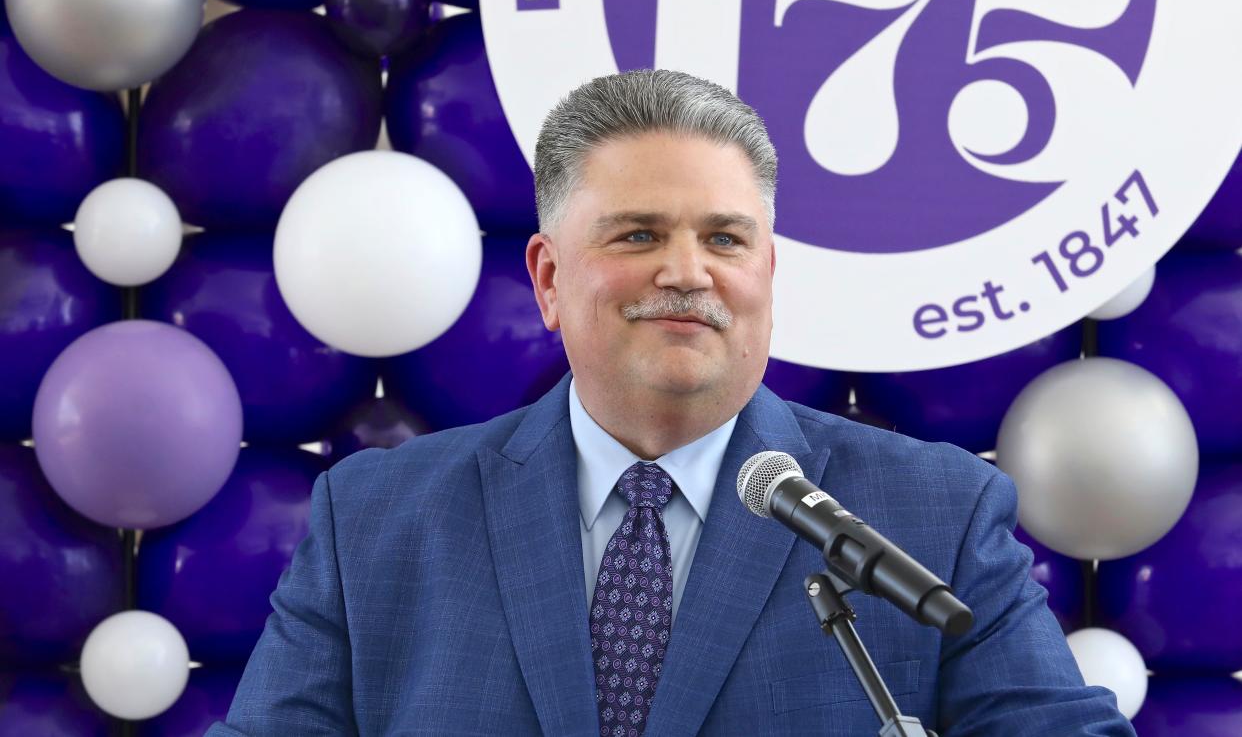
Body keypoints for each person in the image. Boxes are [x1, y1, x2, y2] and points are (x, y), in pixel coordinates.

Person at [208, 70, 1135, 736]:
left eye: (725, 239)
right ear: (547, 278)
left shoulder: (931, 518)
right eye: (639, 233)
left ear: (766, 273)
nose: (686, 272)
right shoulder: (375, 520)